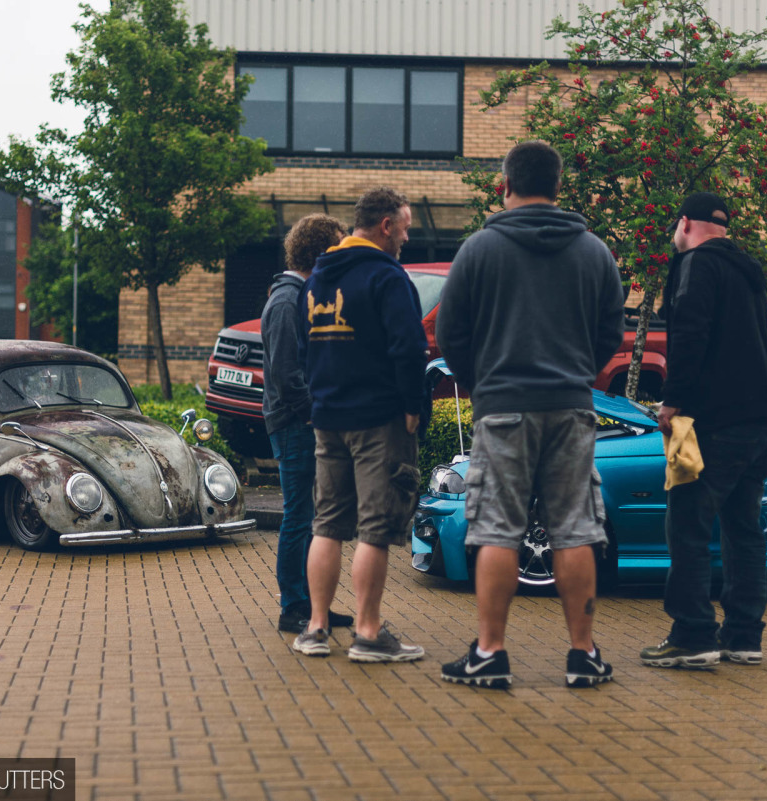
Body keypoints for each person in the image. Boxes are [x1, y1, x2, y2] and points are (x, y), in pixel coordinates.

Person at [433, 140, 624, 689]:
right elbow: (613, 328)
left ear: (504, 184)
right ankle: (582, 656)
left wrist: (483, 381)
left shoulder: (478, 250)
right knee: (575, 529)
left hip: (503, 408)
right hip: (570, 407)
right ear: (558, 187)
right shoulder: (593, 252)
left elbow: (451, 335)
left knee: (496, 528)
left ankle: (490, 654)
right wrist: (579, 370)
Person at [641, 191, 767, 669]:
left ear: (684, 223)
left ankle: (693, 633)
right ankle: (743, 636)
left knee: (687, 524)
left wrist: (671, 402)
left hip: (708, 423)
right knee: (744, 530)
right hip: (759, 423)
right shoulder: (748, 268)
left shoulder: (696, 266)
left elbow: (691, 336)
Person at [291, 186, 428, 663]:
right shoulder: (387, 278)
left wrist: (319, 400)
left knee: (326, 523)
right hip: (378, 418)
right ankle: (368, 634)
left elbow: (307, 350)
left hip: (328, 417)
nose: (407, 239)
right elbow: (409, 348)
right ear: (386, 225)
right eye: (406, 228)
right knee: (375, 527)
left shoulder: (318, 278)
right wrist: (414, 406)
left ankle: (315, 628)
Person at [262, 213, 354, 635]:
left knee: (312, 515)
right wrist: (313, 415)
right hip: (296, 425)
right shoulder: (286, 300)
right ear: (318, 253)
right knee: (298, 516)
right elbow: (285, 373)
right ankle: (293, 607)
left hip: (303, 421)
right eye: (336, 247)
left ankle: (314, 605)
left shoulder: (300, 295)